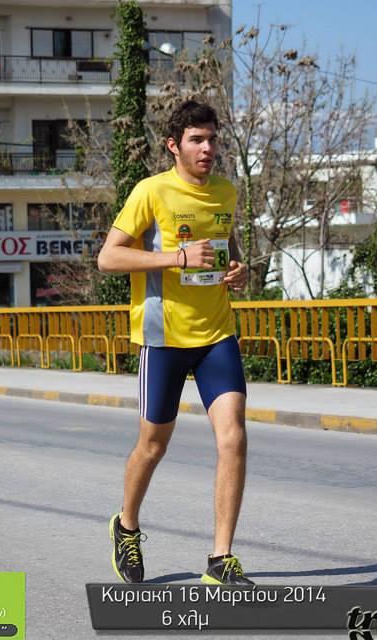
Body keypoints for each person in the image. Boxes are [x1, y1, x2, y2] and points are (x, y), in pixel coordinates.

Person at [97, 100, 252, 586]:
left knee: (234, 436)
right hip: (163, 339)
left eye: (212, 139)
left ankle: (221, 559)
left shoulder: (225, 192)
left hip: (216, 334)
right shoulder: (152, 191)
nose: (207, 149)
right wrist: (175, 258)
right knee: (153, 445)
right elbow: (108, 258)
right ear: (173, 145)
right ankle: (126, 526)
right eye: (196, 140)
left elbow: (228, 246)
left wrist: (239, 269)